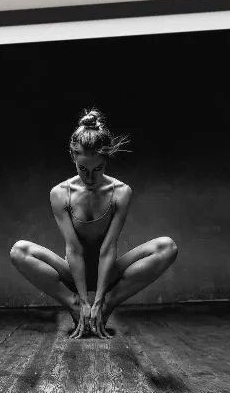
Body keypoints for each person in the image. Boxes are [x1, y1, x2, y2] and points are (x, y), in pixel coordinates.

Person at [10, 108, 179, 338]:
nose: (90, 178)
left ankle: (107, 306)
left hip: (108, 273)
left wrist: (99, 301)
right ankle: (75, 307)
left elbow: (108, 248)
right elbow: (74, 249)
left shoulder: (121, 192)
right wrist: (82, 300)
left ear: (106, 160)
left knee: (167, 247)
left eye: (97, 169)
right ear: (73, 158)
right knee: (19, 250)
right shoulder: (60, 193)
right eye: (83, 169)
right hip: (72, 272)